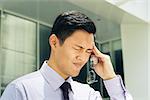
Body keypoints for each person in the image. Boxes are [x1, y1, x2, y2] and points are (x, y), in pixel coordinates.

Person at [0, 11, 133, 100]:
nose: (82, 58)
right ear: (54, 42)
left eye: (88, 51)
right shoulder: (21, 91)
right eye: (78, 48)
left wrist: (110, 78)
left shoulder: (88, 95)